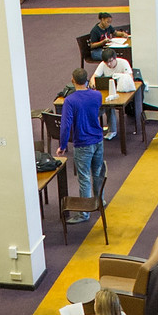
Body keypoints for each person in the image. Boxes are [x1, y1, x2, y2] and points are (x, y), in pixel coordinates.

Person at [56, 68, 104, 224]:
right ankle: (99, 201)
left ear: (72, 80)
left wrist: (62, 146)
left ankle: (84, 212)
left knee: (84, 178)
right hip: (98, 140)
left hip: (83, 143)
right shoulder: (97, 95)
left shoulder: (70, 101)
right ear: (87, 80)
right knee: (97, 172)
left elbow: (65, 126)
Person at [92, 47, 133, 140]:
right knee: (107, 105)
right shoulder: (103, 64)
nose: (109, 64)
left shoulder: (123, 63)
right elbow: (94, 77)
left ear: (115, 58)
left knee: (108, 106)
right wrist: (93, 83)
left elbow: (130, 77)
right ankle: (111, 130)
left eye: (111, 61)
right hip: (109, 92)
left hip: (123, 90)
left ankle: (112, 130)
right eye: (107, 63)